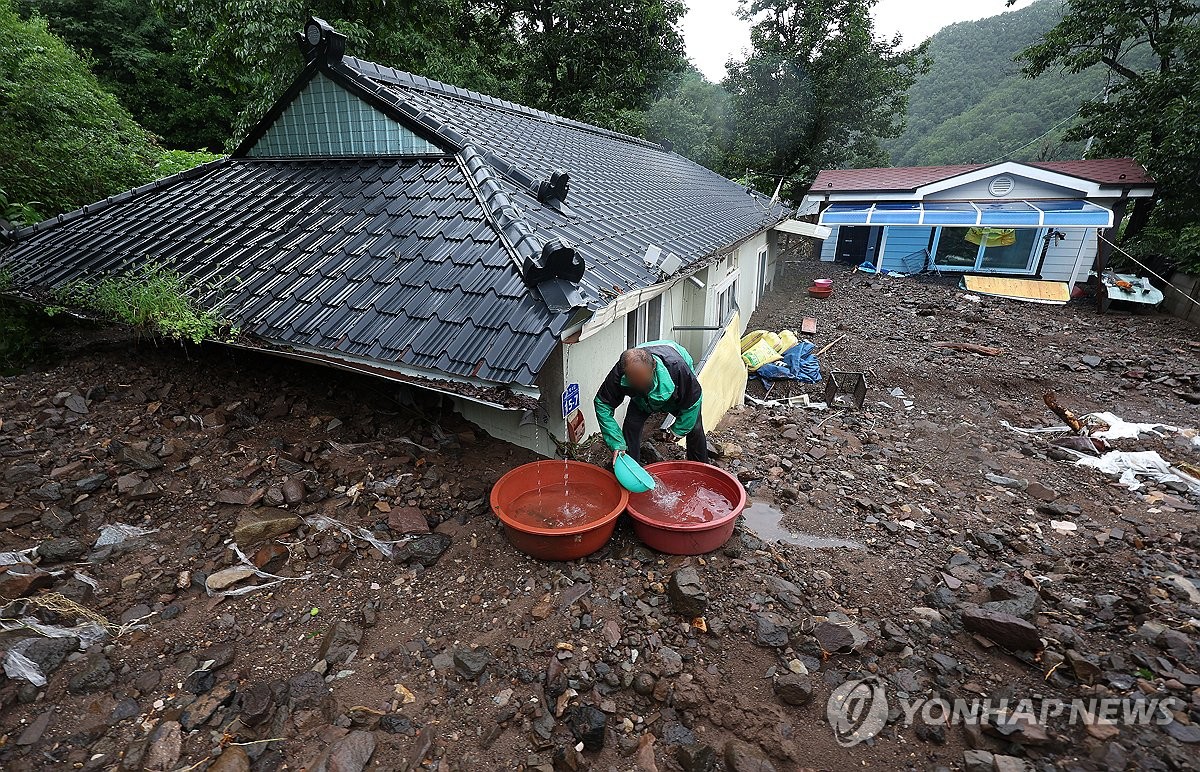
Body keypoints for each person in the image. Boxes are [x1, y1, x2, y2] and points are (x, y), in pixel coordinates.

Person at [594, 340, 708, 465]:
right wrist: (616, 442)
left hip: (673, 386)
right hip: (640, 399)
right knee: (631, 426)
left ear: (654, 366)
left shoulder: (678, 368)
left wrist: (679, 430)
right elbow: (602, 404)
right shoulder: (620, 372)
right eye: (636, 383)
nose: (642, 386)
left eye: (644, 382)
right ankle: (630, 467)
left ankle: (700, 467)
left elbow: (693, 401)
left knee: (695, 428)